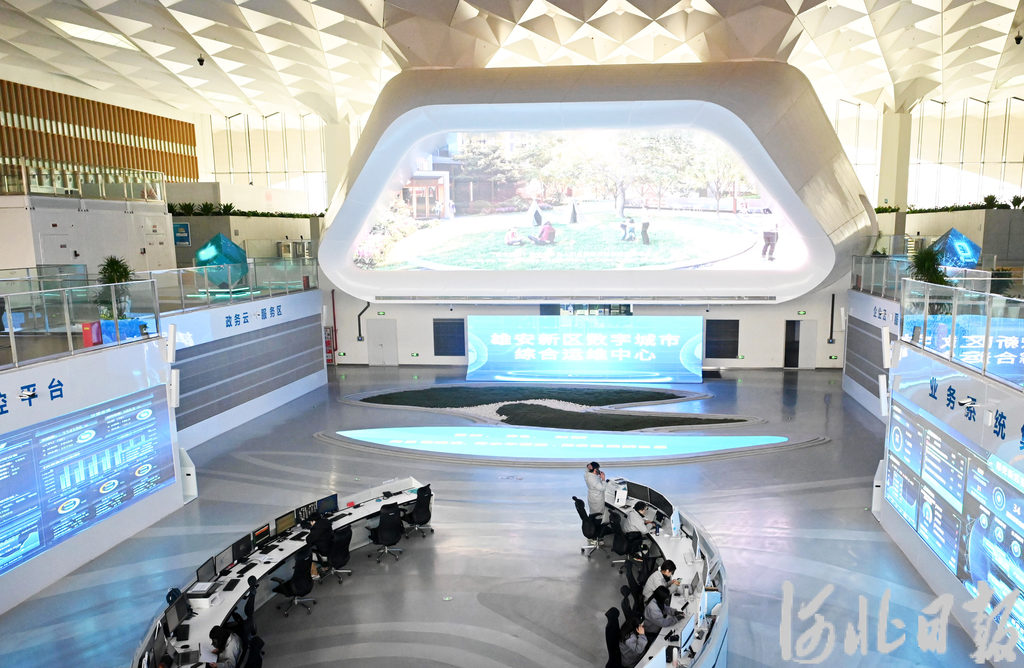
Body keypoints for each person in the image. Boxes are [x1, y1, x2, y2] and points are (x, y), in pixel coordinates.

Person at [584, 461, 607, 527]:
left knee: (593, 512)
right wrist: (603, 479)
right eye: (598, 469)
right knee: (598, 514)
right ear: (595, 469)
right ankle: (597, 527)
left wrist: (598, 476)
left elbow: (595, 481)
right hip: (597, 498)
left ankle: (593, 524)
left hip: (592, 496)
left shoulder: (588, 474)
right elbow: (602, 488)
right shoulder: (592, 479)